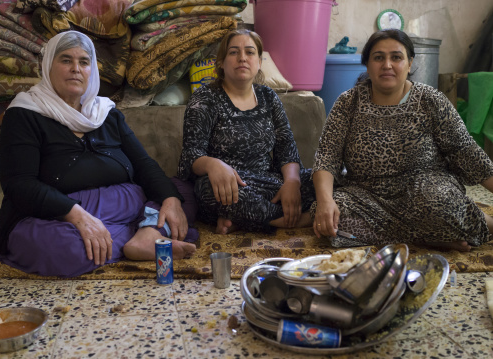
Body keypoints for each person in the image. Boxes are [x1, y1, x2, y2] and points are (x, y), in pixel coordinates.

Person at [0, 31, 197, 277]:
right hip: (59, 214)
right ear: (48, 67)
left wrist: (170, 199)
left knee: (181, 193)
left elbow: (143, 164)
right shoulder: (25, 113)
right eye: (66, 60)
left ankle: (144, 235)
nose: (76, 69)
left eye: (84, 62)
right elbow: (19, 185)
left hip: (125, 202)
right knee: (64, 249)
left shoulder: (106, 113)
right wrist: (76, 215)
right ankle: (146, 231)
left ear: (92, 71)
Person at [311, 29, 493, 252]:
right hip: (367, 196)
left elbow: (466, 152)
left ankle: (474, 224)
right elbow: (327, 155)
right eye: (378, 58)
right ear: (367, 65)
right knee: (328, 217)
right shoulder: (348, 103)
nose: (387, 65)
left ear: (409, 63)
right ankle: (429, 236)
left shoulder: (430, 100)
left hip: (426, 191)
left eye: (396, 57)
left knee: (438, 207)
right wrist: (325, 201)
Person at [177, 29, 315, 234]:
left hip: (269, 183)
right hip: (230, 189)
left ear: (259, 62)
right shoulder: (205, 99)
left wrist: (292, 183)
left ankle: (245, 220)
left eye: (249, 52)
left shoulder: (268, 97)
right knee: (206, 189)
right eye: (233, 52)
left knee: (320, 178)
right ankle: (290, 220)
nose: (242, 58)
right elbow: (190, 156)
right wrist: (213, 164)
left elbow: (286, 147)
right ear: (221, 62)